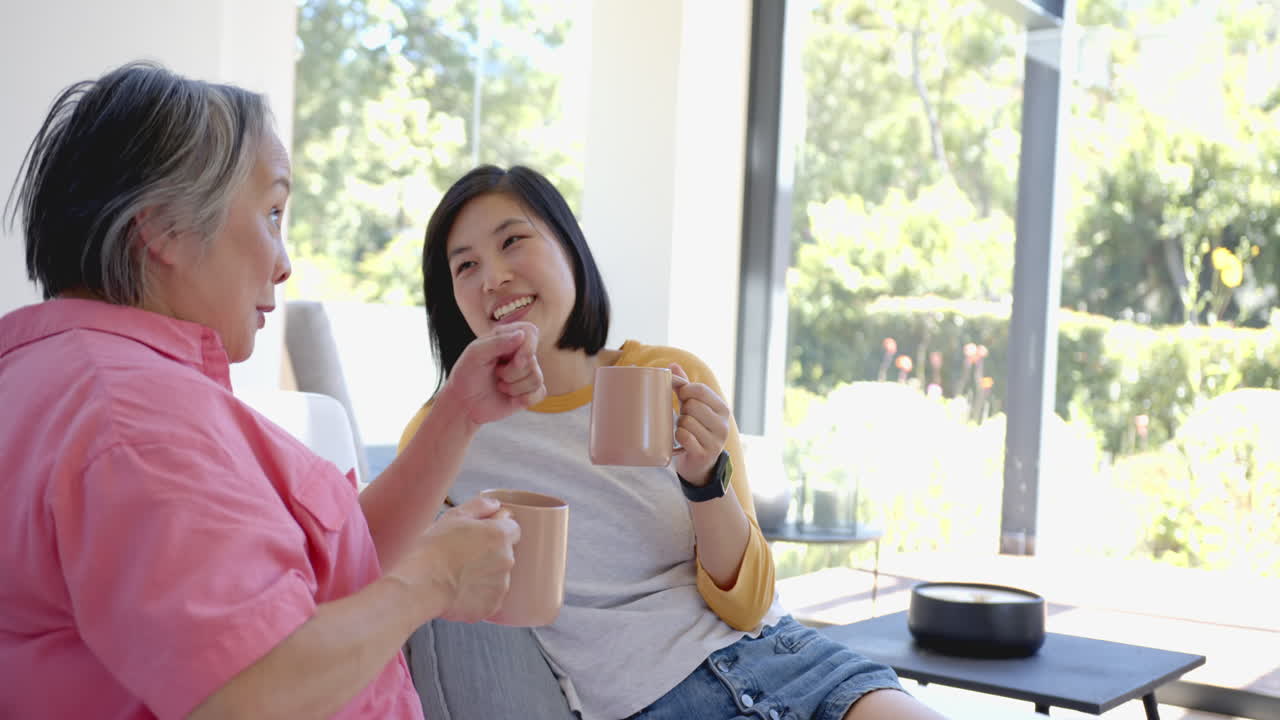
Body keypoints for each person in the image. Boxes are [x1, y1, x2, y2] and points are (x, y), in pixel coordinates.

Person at [0, 62, 547, 719]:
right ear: (164, 229)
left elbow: (322, 579)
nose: (284, 265)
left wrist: (458, 412)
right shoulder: (140, 424)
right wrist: (432, 580)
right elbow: (246, 693)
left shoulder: (64, 383)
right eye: (272, 213)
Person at [400, 165, 948, 720]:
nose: (493, 277)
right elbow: (395, 574)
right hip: (653, 703)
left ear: (570, 248)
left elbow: (750, 604)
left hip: (783, 659)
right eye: (465, 266)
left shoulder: (671, 377)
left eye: (512, 240)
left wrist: (706, 481)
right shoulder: (446, 430)